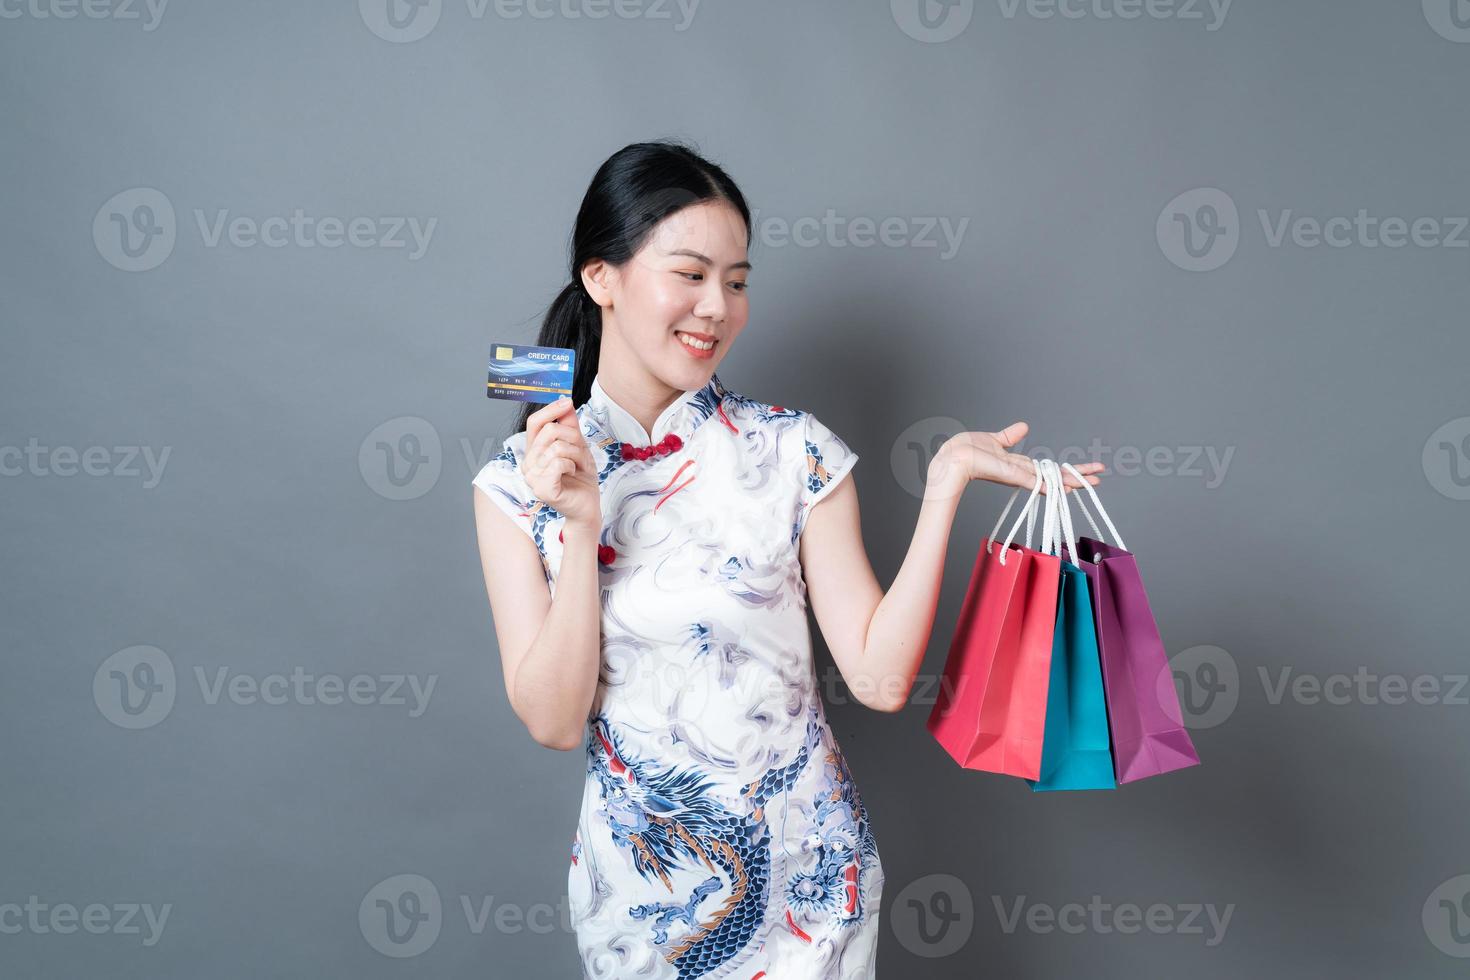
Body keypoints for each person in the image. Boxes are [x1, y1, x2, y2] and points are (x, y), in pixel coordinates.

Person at [470, 140, 1103, 979]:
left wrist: (945, 486)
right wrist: (581, 527)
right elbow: (552, 722)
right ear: (602, 279)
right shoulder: (519, 485)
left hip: (814, 888)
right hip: (644, 908)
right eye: (689, 275)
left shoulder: (794, 451)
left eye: (735, 282)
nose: (716, 308)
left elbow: (878, 679)